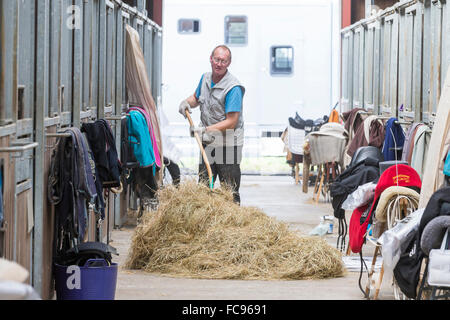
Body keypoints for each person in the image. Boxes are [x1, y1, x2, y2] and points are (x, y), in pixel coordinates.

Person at [179, 45, 245, 204]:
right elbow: (197, 98)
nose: (219, 64)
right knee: (203, 184)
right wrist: (187, 103)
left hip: (228, 142)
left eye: (224, 61)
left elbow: (231, 121)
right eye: (217, 59)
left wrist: (204, 130)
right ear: (211, 59)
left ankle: (233, 221)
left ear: (229, 63)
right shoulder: (205, 78)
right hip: (208, 140)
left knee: (229, 188)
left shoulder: (233, 88)